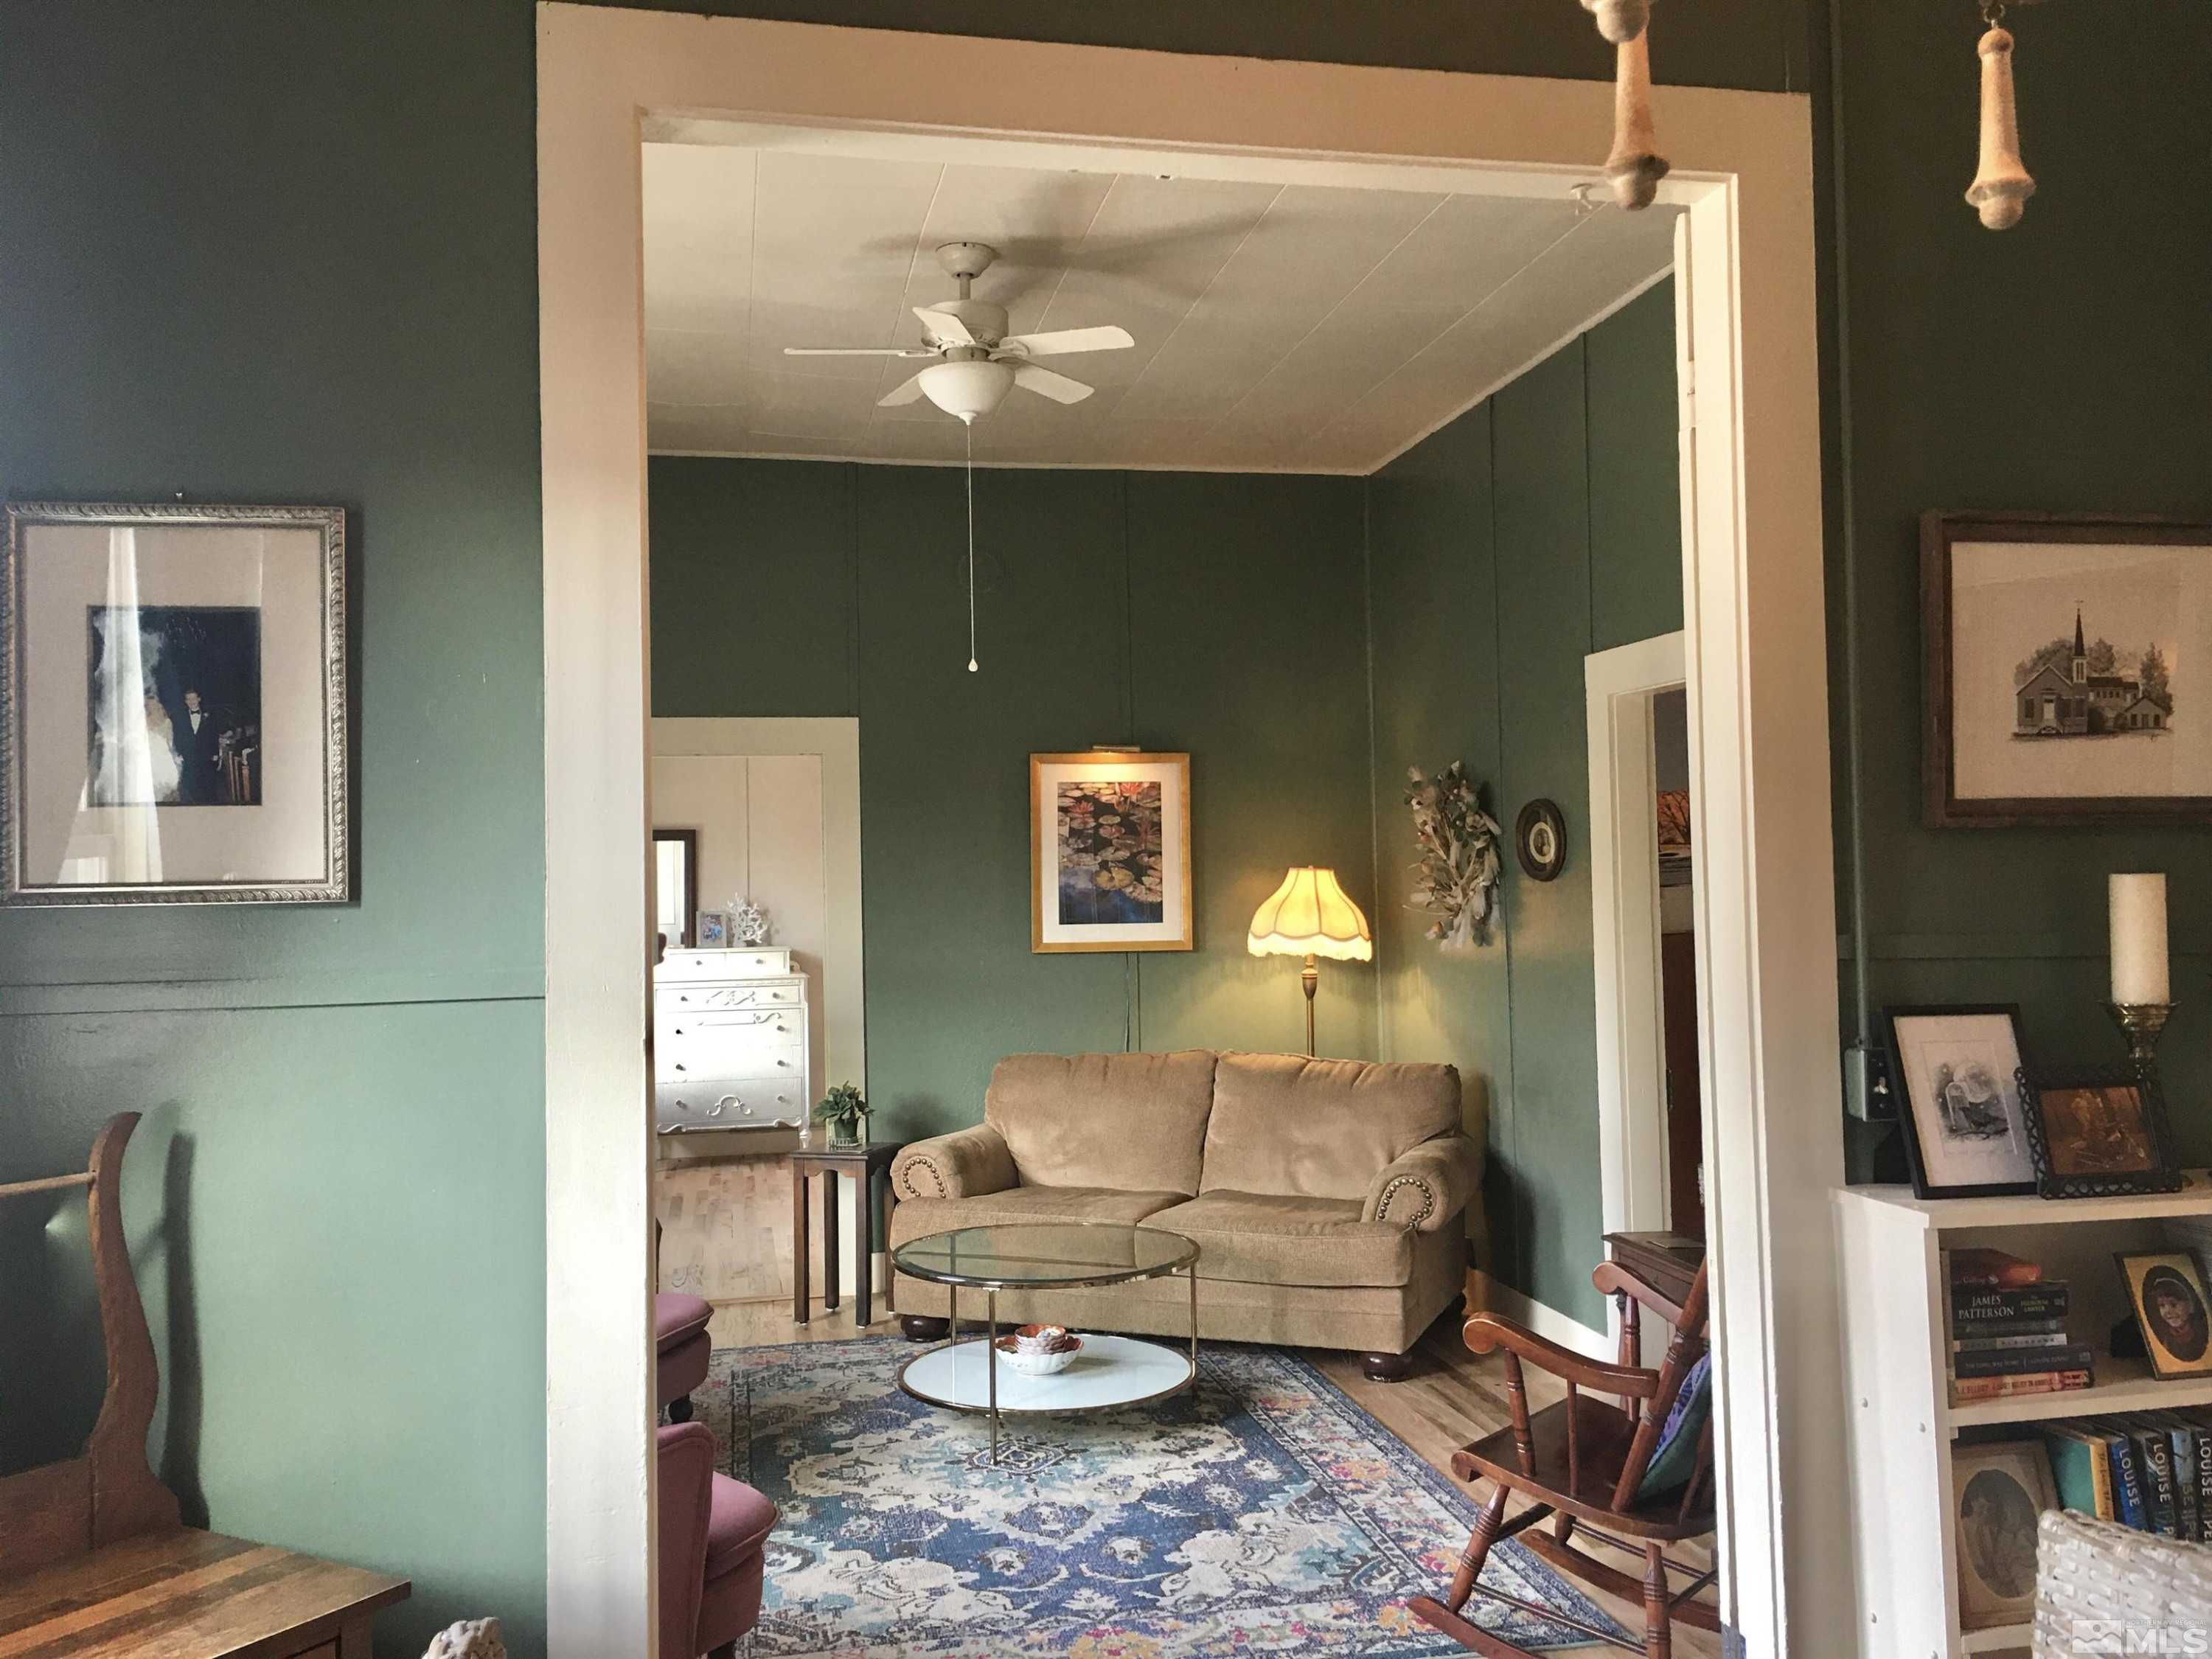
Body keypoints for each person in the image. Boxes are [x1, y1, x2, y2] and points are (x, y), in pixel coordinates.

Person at [175, 686, 224, 804]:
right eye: (189, 699)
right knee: (191, 785)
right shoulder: (180, 717)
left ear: (199, 699)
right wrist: (180, 753)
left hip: (206, 756)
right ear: (186, 701)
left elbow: (214, 735)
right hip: (189, 757)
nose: (192, 702)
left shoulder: (209, 716)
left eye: (194, 699)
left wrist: (215, 753)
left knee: (208, 785)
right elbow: (178, 736)